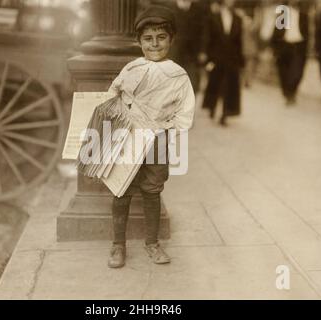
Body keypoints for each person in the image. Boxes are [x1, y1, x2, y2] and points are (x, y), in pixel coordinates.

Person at [105, 5, 196, 268]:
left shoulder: (178, 75)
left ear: (171, 39)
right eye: (148, 38)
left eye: (161, 37)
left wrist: (167, 130)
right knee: (121, 189)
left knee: (152, 190)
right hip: (128, 139)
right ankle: (118, 245)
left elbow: (185, 111)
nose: (154, 44)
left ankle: (152, 243)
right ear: (139, 41)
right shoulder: (131, 69)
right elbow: (112, 97)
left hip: (157, 141)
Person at [200, 0, 245, 127]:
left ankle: (225, 113)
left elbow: (239, 41)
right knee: (215, 83)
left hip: (232, 58)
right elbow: (207, 37)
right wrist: (205, 53)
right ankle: (212, 107)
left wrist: (241, 60)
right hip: (216, 56)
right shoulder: (213, 17)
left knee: (229, 86)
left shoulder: (238, 19)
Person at [271, 0, 309, 106]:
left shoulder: (303, 15)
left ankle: (292, 92)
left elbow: (307, 34)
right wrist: (275, 50)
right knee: (283, 72)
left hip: (298, 47)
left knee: (297, 72)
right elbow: (276, 32)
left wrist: (306, 49)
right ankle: (287, 94)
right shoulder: (283, 14)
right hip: (284, 46)